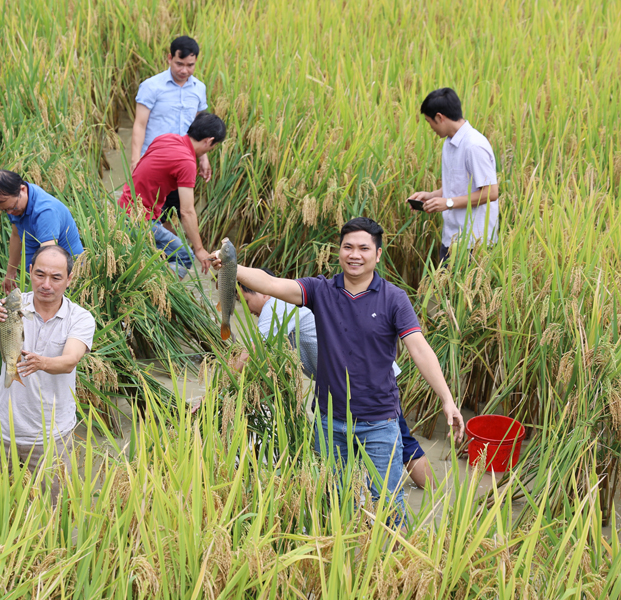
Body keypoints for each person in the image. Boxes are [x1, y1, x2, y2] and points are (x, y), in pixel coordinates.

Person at [211, 217, 463, 520]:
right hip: (330, 424)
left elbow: (419, 348)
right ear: (339, 251)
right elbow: (271, 284)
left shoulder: (394, 298)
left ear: (377, 254)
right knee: (334, 505)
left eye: (363, 248)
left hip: (379, 422)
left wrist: (447, 398)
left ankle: (421, 532)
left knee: (388, 508)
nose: (355, 254)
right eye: (348, 247)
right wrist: (231, 266)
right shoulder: (321, 291)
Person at [235, 271, 436, 490]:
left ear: (263, 293)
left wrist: (222, 383)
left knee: (402, 440)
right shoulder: (289, 304)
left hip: (368, 380)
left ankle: (433, 496)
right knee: (396, 441)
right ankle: (427, 495)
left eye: (246, 301)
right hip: (349, 382)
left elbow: (252, 349)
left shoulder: (276, 305)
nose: (249, 310)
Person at [0, 245, 96, 502]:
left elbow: (69, 361)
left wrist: (41, 362)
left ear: (69, 279)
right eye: (40, 275)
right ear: (31, 271)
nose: (46, 284)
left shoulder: (80, 318)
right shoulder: (12, 304)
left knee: (54, 509)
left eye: (56, 278)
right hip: (0, 430)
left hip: (52, 436)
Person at [119, 112, 226, 278]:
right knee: (184, 256)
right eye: (213, 147)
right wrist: (199, 249)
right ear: (209, 141)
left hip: (122, 207)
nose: (210, 150)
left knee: (158, 253)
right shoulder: (187, 162)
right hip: (139, 220)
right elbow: (187, 211)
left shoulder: (166, 138)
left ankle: (145, 279)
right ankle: (157, 290)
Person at [408, 88, 499, 263]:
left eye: (429, 122)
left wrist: (448, 203)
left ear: (440, 117)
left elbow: (491, 192)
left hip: (474, 243)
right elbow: (456, 186)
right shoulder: (449, 143)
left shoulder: (474, 146)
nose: (431, 128)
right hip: (451, 238)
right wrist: (431, 196)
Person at [130, 36, 210, 228]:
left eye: (190, 65)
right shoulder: (151, 86)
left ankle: (170, 247)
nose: (184, 70)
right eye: (179, 64)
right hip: (153, 164)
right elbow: (140, 125)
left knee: (176, 216)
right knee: (146, 218)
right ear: (169, 58)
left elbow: (199, 128)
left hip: (182, 164)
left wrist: (203, 158)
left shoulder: (199, 89)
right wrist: (135, 159)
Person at [0, 169, 84, 294]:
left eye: (12, 207)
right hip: (38, 272)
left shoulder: (46, 212)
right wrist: (10, 272)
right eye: (5, 210)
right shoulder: (15, 202)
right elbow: (16, 236)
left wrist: (39, 289)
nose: (9, 213)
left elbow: (49, 256)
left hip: (62, 277)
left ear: (22, 189)